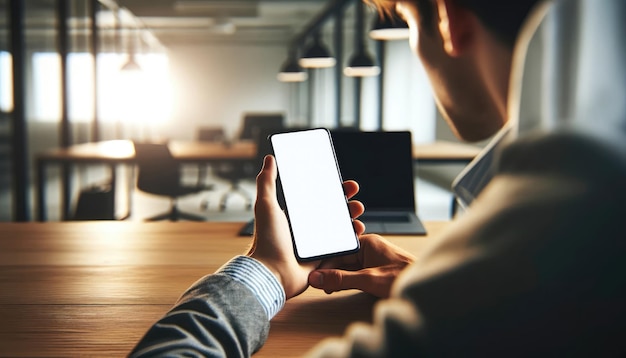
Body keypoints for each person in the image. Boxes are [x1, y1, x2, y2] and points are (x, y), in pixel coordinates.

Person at [130, 0, 626, 356]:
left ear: (448, 17)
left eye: (409, 21)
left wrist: (265, 270)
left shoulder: (554, 239)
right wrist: (433, 284)